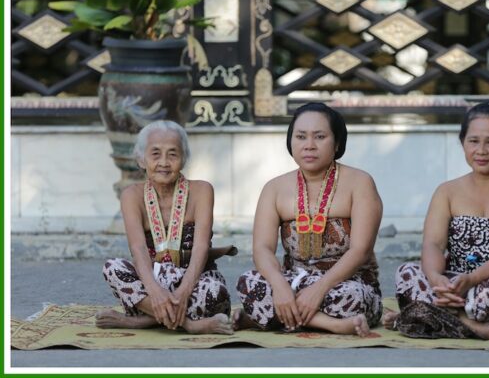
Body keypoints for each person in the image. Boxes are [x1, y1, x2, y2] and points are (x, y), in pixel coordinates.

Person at [384, 102, 489, 340]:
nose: (481, 150)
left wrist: (472, 280)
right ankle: (473, 326)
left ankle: (420, 317)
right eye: (473, 141)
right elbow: (433, 244)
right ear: (463, 143)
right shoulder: (447, 191)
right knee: (407, 272)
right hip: (454, 285)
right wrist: (436, 278)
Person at [236, 102, 383, 337]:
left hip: (346, 284)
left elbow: (360, 250)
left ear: (336, 143)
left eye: (320, 137)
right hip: (294, 281)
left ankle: (270, 317)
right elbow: (262, 249)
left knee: (353, 297)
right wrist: (280, 286)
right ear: (290, 142)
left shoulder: (360, 183)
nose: (309, 146)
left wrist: (319, 289)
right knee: (248, 281)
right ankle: (331, 325)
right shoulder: (274, 188)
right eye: (301, 136)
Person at [96, 120, 236, 334]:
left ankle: (142, 320)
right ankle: (189, 324)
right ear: (141, 159)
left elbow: (200, 248)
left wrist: (183, 292)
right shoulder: (131, 196)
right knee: (112, 268)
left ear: (184, 159)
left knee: (215, 291)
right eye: (155, 154)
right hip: (152, 282)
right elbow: (138, 249)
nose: (164, 162)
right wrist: (155, 291)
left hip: (194, 278)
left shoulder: (202, 191)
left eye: (172, 154)